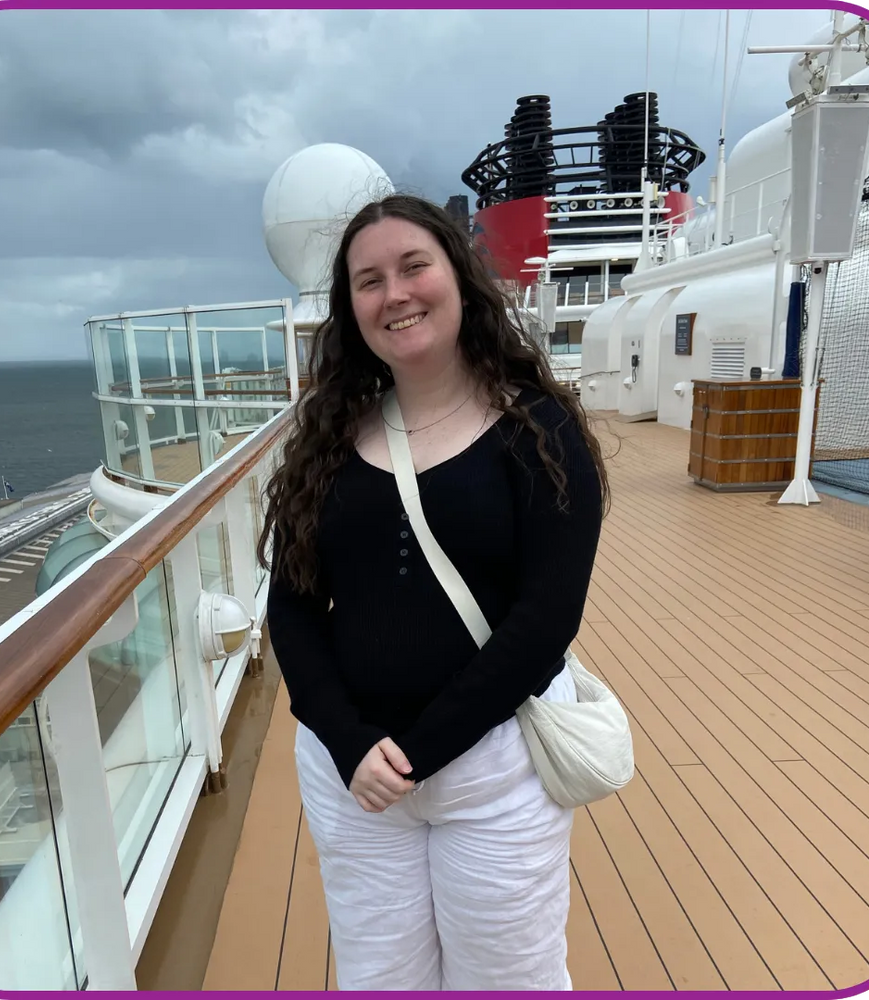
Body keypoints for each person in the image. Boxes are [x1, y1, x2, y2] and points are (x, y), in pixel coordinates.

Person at [258, 193, 608, 990]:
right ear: (351, 309)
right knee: (381, 976)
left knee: (508, 975)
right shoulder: (328, 437)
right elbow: (293, 607)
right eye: (369, 280)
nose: (397, 293)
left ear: (458, 274)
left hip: (494, 770)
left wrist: (419, 750)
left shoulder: (540, 429)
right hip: (357, 780)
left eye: (415, 265)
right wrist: (351, 746)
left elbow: (544, 620)